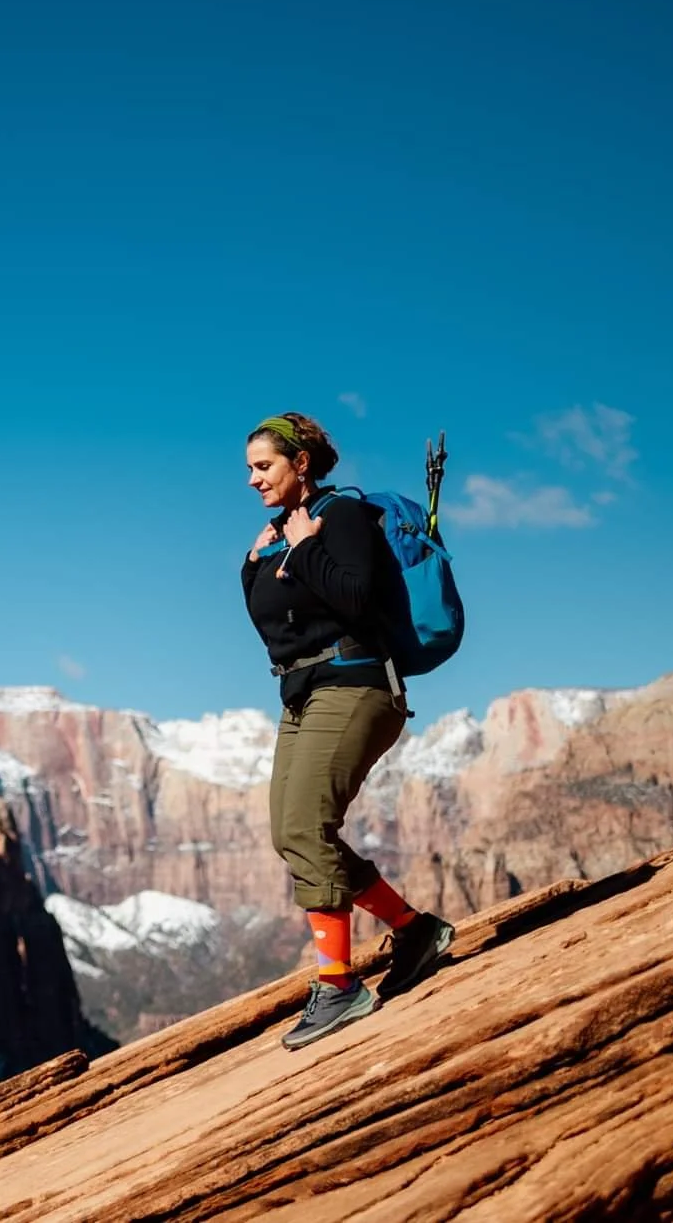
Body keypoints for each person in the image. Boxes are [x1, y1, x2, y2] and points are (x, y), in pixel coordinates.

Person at [242, 412, 456, 1049]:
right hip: (302, 695)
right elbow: (280, 623)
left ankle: (338, 986)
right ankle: (414, 931)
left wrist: (304, 549)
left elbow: (359, 599)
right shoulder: (278, 533)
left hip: (355, 685)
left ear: (300, 463)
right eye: (250, 468)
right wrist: (259, 562)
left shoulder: (342, 518)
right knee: (293, 834)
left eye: (264, 466)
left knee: (306, 829)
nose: (252, 479)